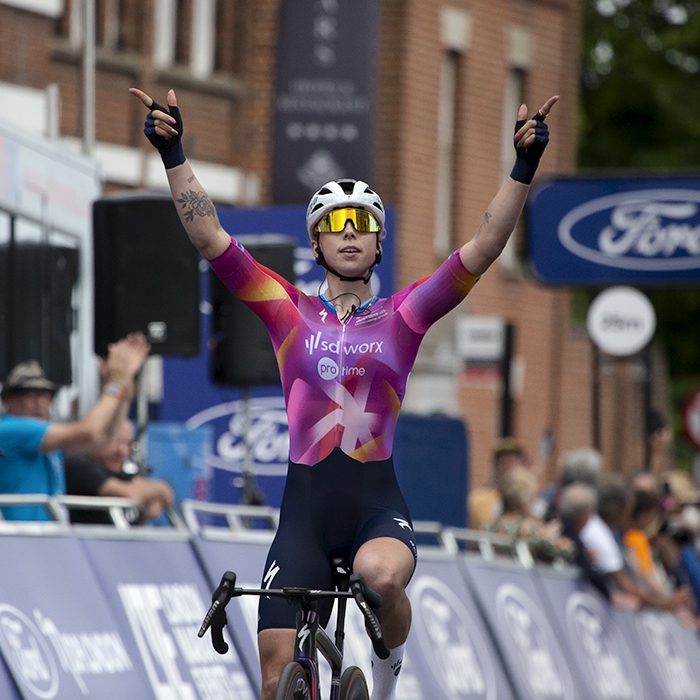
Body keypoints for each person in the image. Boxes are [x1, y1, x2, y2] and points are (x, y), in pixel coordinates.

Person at [130, 85, 558, 700]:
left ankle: (386, 681)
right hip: (302, 516)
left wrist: (524, 165)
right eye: (336, 226)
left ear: (380, 242)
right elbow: (210, 239)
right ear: (316, 244)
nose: (350, 235)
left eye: (364, 226)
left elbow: (484, 248)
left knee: (380, 579)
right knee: (276, 674)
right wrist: (173, 153)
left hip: (374, 511)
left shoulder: (405, 315)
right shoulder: (288, 312)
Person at [0, 333, 150, 521]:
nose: (39, 403)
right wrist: (115, 383)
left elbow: (105, 438)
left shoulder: (44, 442)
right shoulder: (9, 429)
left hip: (43, 541)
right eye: (30, 395)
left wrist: (125, 381)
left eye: (45, 395)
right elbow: (89, 432)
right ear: (7, 400)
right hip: (20, 543)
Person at [64, 418, 174, 524]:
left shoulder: (120, 474)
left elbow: (166, 492)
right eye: (115, 441)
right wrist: (153, 492)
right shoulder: (78, 466)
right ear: (95, 439)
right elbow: (130, 494)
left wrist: (155, 500)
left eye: (128, 444)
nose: (121, 450)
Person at [487, 466, 575, 563]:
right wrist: (550, 534)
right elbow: (568, 550)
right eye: (532, 498)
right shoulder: (528, 529)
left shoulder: (489, 526)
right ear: (525, 500)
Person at [469, 436, 529, 529]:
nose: (508, 466)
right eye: (503, 461)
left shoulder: (528, 500)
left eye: (513, 461)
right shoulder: (479, 499)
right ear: (495, 466)